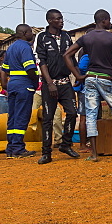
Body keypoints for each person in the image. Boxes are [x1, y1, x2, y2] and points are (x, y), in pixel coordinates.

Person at [64, 9, 112, 161]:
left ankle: (94, 154)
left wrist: (78, 76)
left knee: (91, 115)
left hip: (90, 78)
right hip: (107, 78)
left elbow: (66, 55)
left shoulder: (86, 38)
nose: (110, 23)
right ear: (104, 20)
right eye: (109, 20)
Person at [33, 9, 79, 165]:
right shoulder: (41, 37)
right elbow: (41, 61)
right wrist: (50, 83)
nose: (61, 21)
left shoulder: (66, 36)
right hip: (49, 85)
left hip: (66, 83)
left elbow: (72, 57)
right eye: (58, 19)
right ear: (49, 21)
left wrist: (77, 75)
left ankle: (66, 144)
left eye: (61, 18)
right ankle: (46, 153)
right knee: (48, 118)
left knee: (72, 113)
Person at [1, 24, 39, 159]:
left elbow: (3, 69)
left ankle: (11, 148)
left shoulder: (10, 48)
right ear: (24, 33)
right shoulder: (25, 47)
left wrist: (5, 84)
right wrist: (36, 81)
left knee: (13, 116)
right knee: (22, 117)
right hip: (24, 85)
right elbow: (29, 68)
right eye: (30, 32)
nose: (32, 34)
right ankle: (18, 148)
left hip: (13, 85)